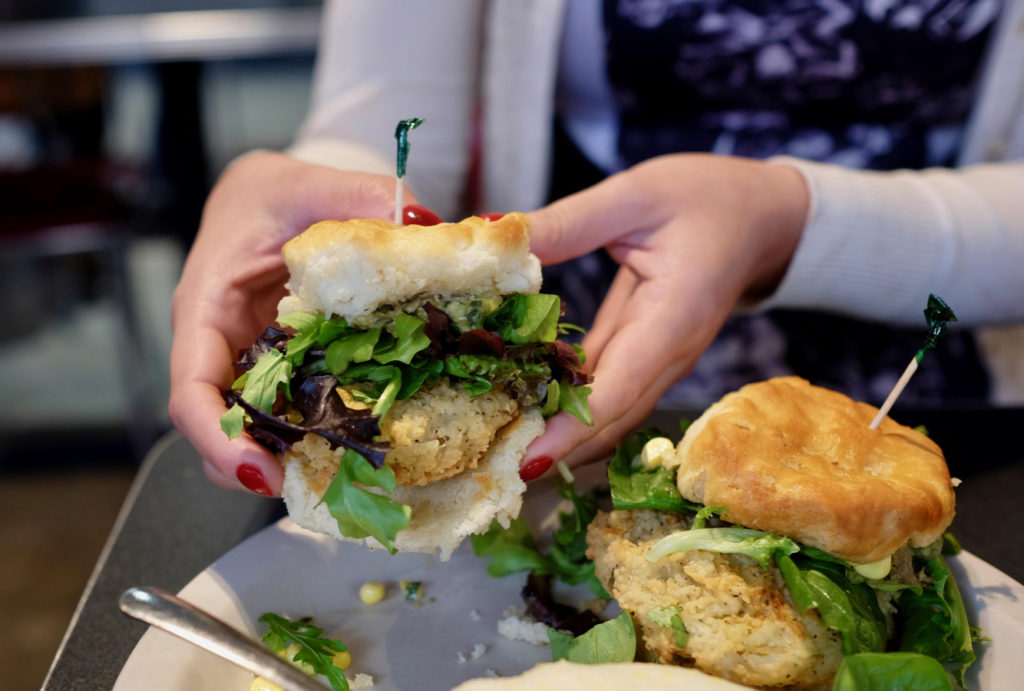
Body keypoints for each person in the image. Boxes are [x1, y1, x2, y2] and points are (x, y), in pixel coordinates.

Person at [168, 0, 1024, 496]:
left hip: (945, 423)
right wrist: (312, 196)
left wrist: (789, 222)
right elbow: (386, 124)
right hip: (565, 402)